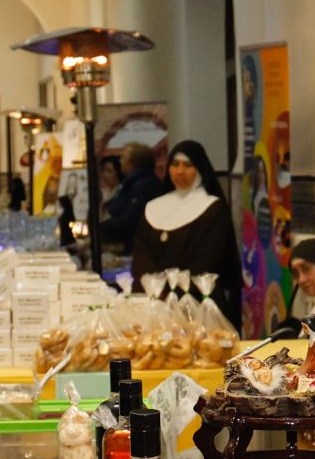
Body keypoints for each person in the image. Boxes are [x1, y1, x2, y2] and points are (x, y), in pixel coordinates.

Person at [131, 139, 242, 326]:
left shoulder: (212, 208)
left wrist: (175, 291)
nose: (180, 171)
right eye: (175, 164)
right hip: (155, 301)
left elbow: (205, 259)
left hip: (197, 303)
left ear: (199, 169)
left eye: (188, 165)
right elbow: (141, 254)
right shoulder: (154, 206)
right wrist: (158, 290)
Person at [100, 142, 163, 248]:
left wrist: (102, 226)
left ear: (133, 162)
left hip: (137, 243)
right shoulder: (131, 183)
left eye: (123, 157)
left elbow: (131, 219)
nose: (120, 161)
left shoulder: (143, 185)